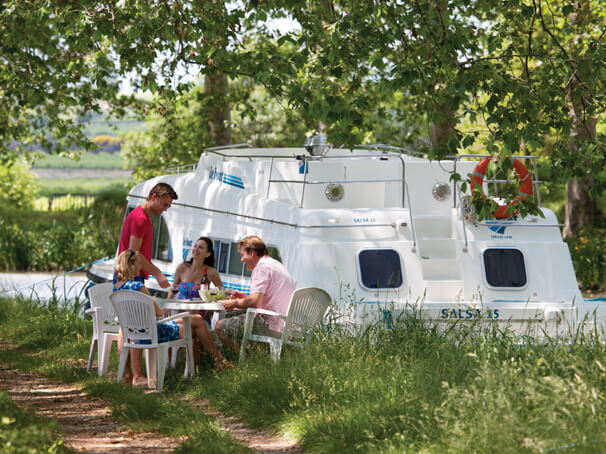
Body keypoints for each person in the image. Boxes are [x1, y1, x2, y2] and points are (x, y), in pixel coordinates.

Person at [113, 249, 227, 386]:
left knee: (196, 319)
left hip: (135, 331)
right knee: (196, 326)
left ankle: (212, 363)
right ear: (131, 265)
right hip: (153, 332)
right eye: (139, 265)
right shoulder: (139, 287)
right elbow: (159, 313)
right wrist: (156, 304)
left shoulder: (117, 288)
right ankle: (215, 362)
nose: (141, 268)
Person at [215, 235, 295, 353]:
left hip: (271, 325)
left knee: (219, 326)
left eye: (243, 255)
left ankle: (247, 360)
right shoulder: (275, 264)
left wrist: (234, 302)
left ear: (252, 253)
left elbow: (254, 302)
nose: (241, 260)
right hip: (286, 325)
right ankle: (258, 357)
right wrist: (245, 298)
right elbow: (261, 300)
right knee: (243, 320)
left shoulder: (261, 268)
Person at [167, 237, 231, 370]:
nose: (196, 249)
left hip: (202, 315)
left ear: (208, 254)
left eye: (200, 247)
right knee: (194, 332)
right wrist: (167, 304)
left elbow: (222, 293)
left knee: (196, 331)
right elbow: (173, 290)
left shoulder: (210, 272)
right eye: (195, 246)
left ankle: (194, 371)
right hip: (180, 315)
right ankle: (213, 363)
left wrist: (213, 298)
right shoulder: (182, 268)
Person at [117, 182, 178, 289]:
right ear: (154, 197)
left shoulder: (145, 217)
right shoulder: (140, 219)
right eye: (165, 204)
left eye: (169, 205)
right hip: (129, 277)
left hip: (130, 276)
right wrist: (157, 274)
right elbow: (133, 253)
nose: (166, 209)